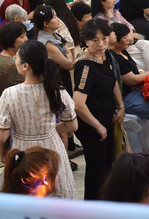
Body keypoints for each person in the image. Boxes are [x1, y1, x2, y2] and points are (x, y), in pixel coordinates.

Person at [0, 40, 77, 198]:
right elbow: (72, 126)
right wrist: (50, 129)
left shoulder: (9, 94)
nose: (15, 61)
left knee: (27, 194)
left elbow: (3, 135)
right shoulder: (57, 91)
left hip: (23, 150)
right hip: (52, 149)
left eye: (17, 58)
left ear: (25, 66)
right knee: (57, 192)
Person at [73, 19, 124, 200]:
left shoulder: (106, 55)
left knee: (108, 165)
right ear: (86, 41)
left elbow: (113, 82)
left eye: (104, 38)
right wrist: (98, 126)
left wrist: (121, 106)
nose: (101, 44)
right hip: (92, 125)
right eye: (95, 40)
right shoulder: (86, 65)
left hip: (106, 117)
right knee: (96, 170)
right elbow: (78, 104)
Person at [0, 22, 26, 94]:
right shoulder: (11, 66)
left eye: (26, 35)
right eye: (22, 36)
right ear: (10, 39)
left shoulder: (4, 57)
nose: (26, 39)